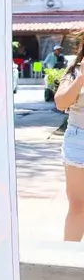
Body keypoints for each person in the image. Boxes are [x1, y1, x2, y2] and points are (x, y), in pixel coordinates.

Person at [55, 41, 84, 241]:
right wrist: (81, 78)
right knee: (78, 206)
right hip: (79, 141)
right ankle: (70, 255)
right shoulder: (75, 69)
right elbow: (61, 102)